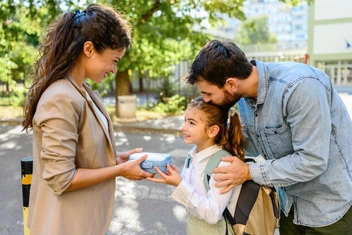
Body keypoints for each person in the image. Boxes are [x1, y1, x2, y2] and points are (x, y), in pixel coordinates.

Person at [183, 39, 352, 234]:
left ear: (230, 84)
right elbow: (251, 144)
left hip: (330, 210)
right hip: (290, 206)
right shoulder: (243, 98)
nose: (205, 99)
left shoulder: (299, 87)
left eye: (207, 93)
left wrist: (248, 172)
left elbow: (312, 160)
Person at [21, 4, 153, 235]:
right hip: (63, 226)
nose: (113, 69)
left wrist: (116, 160)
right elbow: (61, 178)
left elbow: (83, 155)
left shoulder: (82, 91)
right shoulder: (62, 96)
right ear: (89, 49)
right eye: (114, 60)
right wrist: (120, 171)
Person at [147, 97, 245, 234]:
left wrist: (180, 184)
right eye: (185, 121)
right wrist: (175, 180)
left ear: (212, 131)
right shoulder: (192, 156)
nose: (183, 127)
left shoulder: (223, 163)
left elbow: (213, 214)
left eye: (191, 123)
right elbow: (189, 199)